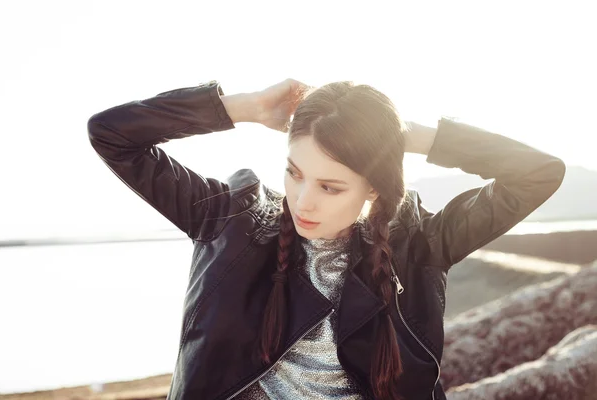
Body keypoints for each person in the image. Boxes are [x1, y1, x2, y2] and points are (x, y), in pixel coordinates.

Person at [87, 79, 566, 400]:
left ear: (375, 187)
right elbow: (112, 134)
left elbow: (538, 173)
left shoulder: (422, 246)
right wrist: (243, 108)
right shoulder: (228, 221)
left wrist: (411, 135)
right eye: (294, 174)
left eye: (330, 187)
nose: (302, 201)